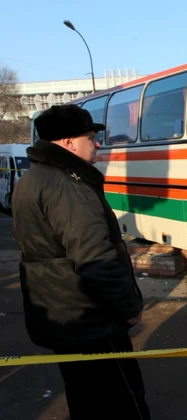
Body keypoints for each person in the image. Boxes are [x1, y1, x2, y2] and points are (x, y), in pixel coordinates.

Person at [12, 104, 150, 420]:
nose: (98, 143)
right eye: (91, 136)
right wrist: (129, 308)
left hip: (64, 317)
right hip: (92, 320)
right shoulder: (68, 186)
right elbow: (96, 260)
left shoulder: (34, 178)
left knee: (85, 400)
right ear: (69, 142)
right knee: (122, 401)